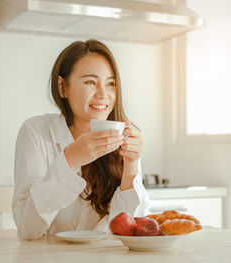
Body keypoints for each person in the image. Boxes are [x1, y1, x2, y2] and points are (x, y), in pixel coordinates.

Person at [13, 40, 149, 240]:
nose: (103, 94)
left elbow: (128, 231)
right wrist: (71, 159)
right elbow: (29, 229)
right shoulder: (35, 132)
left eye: (110, 83)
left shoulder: (125, 136)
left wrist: (130, 166)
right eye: (90, 82)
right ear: (62, 87)